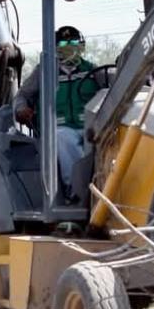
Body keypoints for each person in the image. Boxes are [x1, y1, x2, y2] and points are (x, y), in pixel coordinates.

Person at [13, 25, 111, 196]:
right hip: (58, 130)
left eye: (74, 43)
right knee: (63, 137)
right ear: (55, 48)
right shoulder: (44, 72)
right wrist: (21, 109)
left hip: (90, 129)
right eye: (65, 44)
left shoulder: (93, 71)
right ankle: (76, 189)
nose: (70, 47)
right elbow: (22, 96)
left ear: (81, 46)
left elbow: (113, 90)